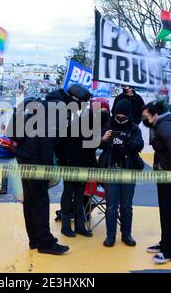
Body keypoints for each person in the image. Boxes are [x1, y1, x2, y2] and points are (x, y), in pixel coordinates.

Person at [11, 84, 92, 255]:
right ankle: (45, 243)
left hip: (23, 155)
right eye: (82, 104)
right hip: (36, 159)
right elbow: (47, 141)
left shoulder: (47, 104)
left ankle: (35, 239)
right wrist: (48, 169)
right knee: (40, 200)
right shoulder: (60, 111)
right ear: (74, 100)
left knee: (30, 199)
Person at [141, 101, 171, 264]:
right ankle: (166, 243)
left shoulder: (165, 126)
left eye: (146, 116)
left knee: (169, 212)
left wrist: (162, 166)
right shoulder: (162, 125)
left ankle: (169, 252)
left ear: (155, 115)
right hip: (169, 175)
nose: (145, 119)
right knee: (166, 211)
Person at [56, 97, 110, 238]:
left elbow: (89, 146)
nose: (105, 114)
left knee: (80, 194)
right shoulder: (82, 122)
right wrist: (101, 140)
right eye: (103, 111)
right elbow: (87, 142)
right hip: (70, 163)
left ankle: (80, 226)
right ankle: (66, 226)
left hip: (83, 163)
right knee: (68, 192)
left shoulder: (90, 121)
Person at [99, 100, 144, 247]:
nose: (120, 119)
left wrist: (127, 139)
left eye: (123, 116)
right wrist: (103, 139)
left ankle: (126, 234)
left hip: (128, 170)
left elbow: (139, 145)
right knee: (111, 205)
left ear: (128, 115)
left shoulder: (134, 129)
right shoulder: (108, 126)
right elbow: (97, 144)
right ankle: (110, 235)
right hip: (111, 169)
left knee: (126, 205)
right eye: (117, 116)